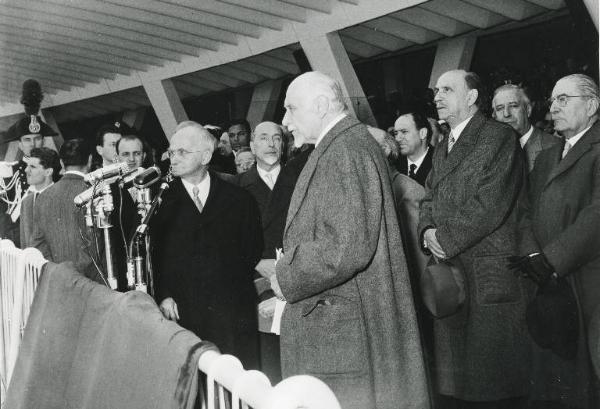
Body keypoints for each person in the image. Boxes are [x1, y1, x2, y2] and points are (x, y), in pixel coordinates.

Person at [270, 71, 429, 409]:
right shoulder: (344, 145)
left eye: (291, 109)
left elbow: (345, 247)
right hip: (346, 326)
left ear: (322, 105)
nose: (285, 122)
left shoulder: (344, 150)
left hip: (344, 333)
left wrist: (286, 275)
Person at [420, 69, 529, 408]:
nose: (438, 96)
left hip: (485, 274)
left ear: (471, 97)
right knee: (461, 387)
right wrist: (426, 232)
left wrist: (445, 239)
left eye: (447, 90)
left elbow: (490, 203)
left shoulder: (498, 137)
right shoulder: (443, 145)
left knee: (493, 387)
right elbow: (428, 198)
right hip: (452, 273)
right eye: (436, 90)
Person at [516, 73, 600, 409]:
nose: (554, 107)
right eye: (552, 100)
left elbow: (597, 214)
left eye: (564, 99)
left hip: (587, 281)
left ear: (592, 105)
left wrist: (552, 259)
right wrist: (533, 254)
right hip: (549, 282)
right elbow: (524, 210)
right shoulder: (548, 155)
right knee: (556, 384)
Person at [152, 121, 263, 368]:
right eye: (171, 152)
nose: (174, 158)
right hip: (183, 311)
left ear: (205, 156)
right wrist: (164, 294)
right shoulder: (159, 203)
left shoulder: (239, 199)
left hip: (232, 308)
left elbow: (252, 248)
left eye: (182, 152)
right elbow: (154, 256)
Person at [31, 139, 106, 284]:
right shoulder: (96, 193)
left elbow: (38, 246)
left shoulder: (43, 197)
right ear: (90, 160)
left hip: (57, 284)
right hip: (93, 287)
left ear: (61, 163)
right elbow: (97, 245)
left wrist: (59, 274)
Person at [1, 114, 57, 245]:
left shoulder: (56, 170)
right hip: (17, 238)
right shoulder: (10, 173)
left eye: (37, 138)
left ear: (43, 141)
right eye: (27, 140)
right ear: (20, 145)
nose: (33, 144)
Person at [492, 84, 558, 172]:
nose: (506, 114)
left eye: (513, 106)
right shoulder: (490, 150)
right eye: (500, 108)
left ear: (528, 110)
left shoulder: (554, 147)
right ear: (494, 116)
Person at [19, 148, 60, 248]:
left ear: (48, 172)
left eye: (32, 167)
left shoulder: (60, 198)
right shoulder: (26, 202)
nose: (26, 170)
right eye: (27, 166)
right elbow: (24, 243)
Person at [392, 111, 434, 186]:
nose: (398, 138)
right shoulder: (394, 166)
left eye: (404, 132)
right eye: (396, 133)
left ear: (422, 133)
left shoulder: (440, 161)